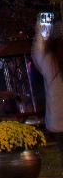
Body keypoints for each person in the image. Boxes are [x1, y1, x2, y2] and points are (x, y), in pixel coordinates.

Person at [31, 13, 63, 161]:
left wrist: (43, 25)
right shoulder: (50, 60)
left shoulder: (50, 60)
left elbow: (39, 49)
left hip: (58, 118)